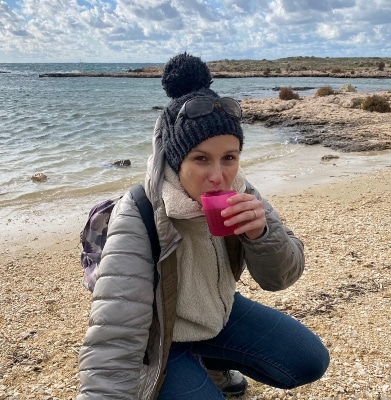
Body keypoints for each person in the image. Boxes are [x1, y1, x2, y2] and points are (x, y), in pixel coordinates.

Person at [77, 52, 329, 400]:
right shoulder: (140, 212)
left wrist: (262, 235)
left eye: (229, 157)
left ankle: (213, 360)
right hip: (163, 336)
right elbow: (113, 333)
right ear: (176, 161)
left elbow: (281, 277)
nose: (217, 176)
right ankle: (185, 367)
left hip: (218, 314)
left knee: (309, 360)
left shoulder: (240, 190)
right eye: (200, 159)